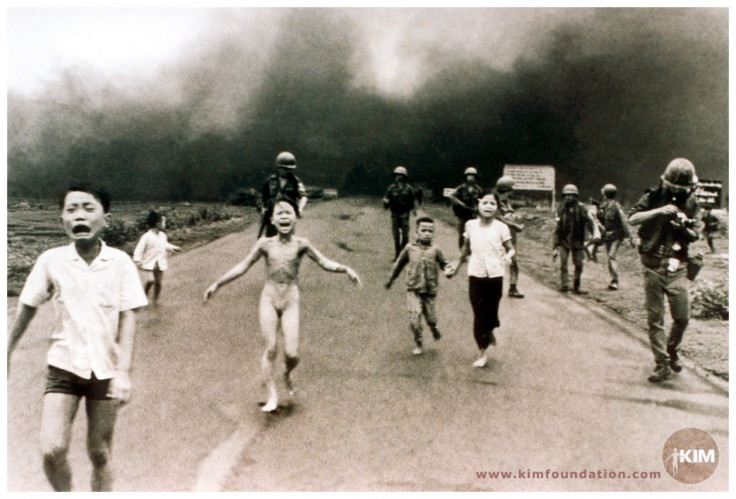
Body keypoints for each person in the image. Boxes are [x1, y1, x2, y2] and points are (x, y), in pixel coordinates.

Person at [7, 184, 148, 491]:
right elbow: (26, 307)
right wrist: (6, 351)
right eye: (71, 210)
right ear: (62, 220)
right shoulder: (51, 260)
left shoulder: (120, 263)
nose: (79, 216)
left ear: (106, 219)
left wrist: (123, 372)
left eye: (88, 208)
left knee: (99, 454)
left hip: (106, 372)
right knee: (52, 450)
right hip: (64, 367)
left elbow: (129, 317)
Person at [204, 198, 361, 412]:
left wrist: (345, 269)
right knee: (271, 349)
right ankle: (272, 395)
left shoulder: (302, 244)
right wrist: (217, 284)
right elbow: (243, 266)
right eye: (280, 213)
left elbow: (324, 262)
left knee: (292, 353)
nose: (284, 216)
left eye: (289, 212)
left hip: (290, 299)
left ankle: (287, 374)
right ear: (272, 220)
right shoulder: (265, 244)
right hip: (269, 298)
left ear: (296, 218)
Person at [629, 158, 700, 383]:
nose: (678, 191)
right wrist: (659, 211)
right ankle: (662, 364)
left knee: (682, 318)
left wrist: (684, 226)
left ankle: (671, 350)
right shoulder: (651, 197)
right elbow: (633, 218)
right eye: (674, 187)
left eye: (683, 188)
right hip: (652, 265)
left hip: (677, 266)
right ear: (665, 182)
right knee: (655, 318)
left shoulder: (692, 203)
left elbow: (697, 231)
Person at [446, 191, 515, 368]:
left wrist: (509, 256)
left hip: (495, 274)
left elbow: (511, 248)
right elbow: (465, 250)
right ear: (478, 205)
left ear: (497, 208)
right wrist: (456, 265)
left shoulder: (501, 227)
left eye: (492, 204)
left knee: (491, 313)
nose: (488, 206)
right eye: (485, 203)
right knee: (479, 314)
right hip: (475, 273)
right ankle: (482, 352)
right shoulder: (470, 225)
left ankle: (490, 328)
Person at [385, 217, 448, 355]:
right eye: (423, 230)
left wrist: (449, 270)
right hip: (413, 289)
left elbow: (444, 264)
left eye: (430, 231)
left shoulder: (435, 250)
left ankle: (433, 327)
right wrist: (391, 279)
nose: (427, 233)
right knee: (415, 319)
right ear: (416, 233)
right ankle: (419, 343)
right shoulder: (409, 248)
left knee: (431, 318)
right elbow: (398, 265)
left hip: (430, 290)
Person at [552, 184, 601, 294]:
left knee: (579, 264)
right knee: (563, 263)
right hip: (563, 240)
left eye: (571, 195)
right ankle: (564, 285)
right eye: (566, 195)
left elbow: (590, 222)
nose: (568, 197)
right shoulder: (560, 208)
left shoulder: (582, 209)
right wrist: (555, 244)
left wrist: (595, 235)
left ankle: (576, 287)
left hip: (577, 241)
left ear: (575, 196)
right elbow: (557, 227)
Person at [133, 210, 181, 305]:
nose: (164, 224)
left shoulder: (162, 236)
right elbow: (139, 249)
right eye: (163, 222)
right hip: (149, 263)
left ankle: (155, 300)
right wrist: (137, 260)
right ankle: (143, 296)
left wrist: (173, 248)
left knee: (158, 283)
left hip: (159, 262)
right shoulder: (146, 236)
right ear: (157, 223)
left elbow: (164, 245)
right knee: (151, 280)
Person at [260, 151, 308, 237]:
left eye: (290, 169)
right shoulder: (271, 181)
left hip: (287, 215)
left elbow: (303, 196)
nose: (288, 171)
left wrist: (300, 209)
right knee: (271, 240)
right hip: (273, 215)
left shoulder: (295, 181)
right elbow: (264, 197)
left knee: (286, 238)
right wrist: (263, 209)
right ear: (279, 168)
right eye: (285, 169)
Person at [597, 184, 634, 290]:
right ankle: (613, 279)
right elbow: (602, 221)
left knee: (611, 256)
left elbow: (623, 222)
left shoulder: (616, 207)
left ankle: (615, 280)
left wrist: (630, 237)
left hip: (616, 236)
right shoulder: (604, 206)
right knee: (609, 258)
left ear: (605, 194)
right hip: (608, 236)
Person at [495, 175, 525, 298]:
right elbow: (497, 218)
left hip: (511, 236)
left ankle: (513, 287)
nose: (511, 192)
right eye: (510, 190)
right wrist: (514, 225)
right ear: (505, 189)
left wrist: (516, 222)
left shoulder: (507, 202)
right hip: (498, 236)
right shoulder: (494, 202)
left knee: (514, 261)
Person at [382, 166, 418, 260]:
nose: (399, 177)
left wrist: (414, 210)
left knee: (405, 235)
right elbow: (386, 201)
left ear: (404, 177)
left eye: (401, 175)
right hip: (394, 214)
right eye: (397, 175)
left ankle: (403, 254)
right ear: (395, 176)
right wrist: (385, 203)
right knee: (396, 235)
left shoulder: (409, 189)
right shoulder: (391, 188)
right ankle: (397, 254)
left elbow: (412, 201)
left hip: (404, 214)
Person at [447, 166, 482, 249]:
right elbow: (452, 196)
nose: (470, 177)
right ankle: (462, 251)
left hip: (473, 214)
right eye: (469, 175)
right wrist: (461, 204)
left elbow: (481, 200)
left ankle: (470, 251)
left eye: (473, 175)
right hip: (462, 215)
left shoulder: (478, 189)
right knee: (462, 233)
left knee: (472, 234)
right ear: (465, 177)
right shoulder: (461, 188)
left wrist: (478, 208)